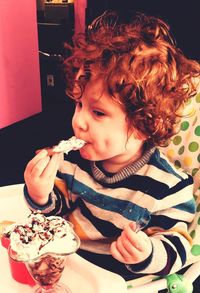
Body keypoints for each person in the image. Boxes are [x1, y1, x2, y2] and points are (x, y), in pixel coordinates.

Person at [24, 11, 200, 280]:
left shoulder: (167, 187)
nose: (78, 121)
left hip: (114, 279)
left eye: (98, 113)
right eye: (79, 104)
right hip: (67, 266)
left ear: (143, 125)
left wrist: (147, 253)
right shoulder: (73, 163)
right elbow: (56, 212)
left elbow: (178, 246)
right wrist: (40, 194)